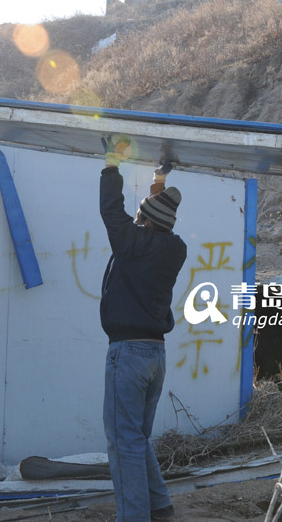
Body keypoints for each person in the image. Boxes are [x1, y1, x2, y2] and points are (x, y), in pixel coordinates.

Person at [99, 136, 187, 522]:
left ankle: (134, 517)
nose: (136, 218)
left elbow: (111, 210)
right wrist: (158, 183)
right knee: (137, 437)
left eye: (142, 216)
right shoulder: (174, 247)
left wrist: (111, 164)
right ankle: (160, 506)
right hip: (155, 355)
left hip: (129, 356)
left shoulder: (132, 243)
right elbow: (155, 220)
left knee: (123, 442)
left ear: (146, 222)